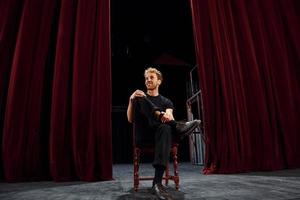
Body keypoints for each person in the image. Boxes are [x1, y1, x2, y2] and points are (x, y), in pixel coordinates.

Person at [127, 67, 201, 199]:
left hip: (162, 138)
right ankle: (178, 126)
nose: (148, 80)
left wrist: (166, 115)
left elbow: (169, 115)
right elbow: (130, 119)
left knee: (166, 128)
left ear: (159, 81)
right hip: (144, 136)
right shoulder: (139, 98)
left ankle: (157, 183)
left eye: (151, 77)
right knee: (141, 97)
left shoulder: (167, 101)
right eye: (146, 78)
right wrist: (131, 99)